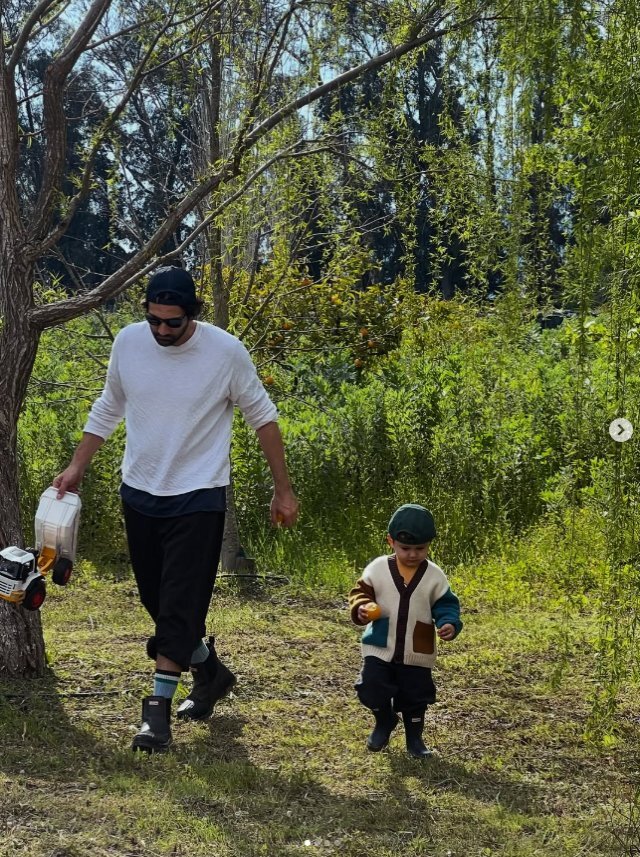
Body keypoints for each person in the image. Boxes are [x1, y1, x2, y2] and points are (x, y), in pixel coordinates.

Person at [53, 266, 298, 753]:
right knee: (160, 603)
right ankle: (210, 672)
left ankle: (156, 713)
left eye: (174, 323)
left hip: (199, 495)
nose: (163, 331)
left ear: (193, 315)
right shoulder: (128, 343)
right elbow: (108, 405)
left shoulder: (225, 352)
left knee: (181, 602)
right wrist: (78, 465)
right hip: (139, 491)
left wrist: (283, 489)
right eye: (155, 321)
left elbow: (263, 418)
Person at [348, 504, 462, 758]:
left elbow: (446, 605)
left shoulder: (434, 576)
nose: (412, 554)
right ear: (391, 541)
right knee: (370, 687)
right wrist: (363, 607)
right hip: (380, 644)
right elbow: (359, 593)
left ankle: (415, 740)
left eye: (420, 549)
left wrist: (449, 623)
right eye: (405, 548)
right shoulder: (377, 569)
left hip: (416, 648)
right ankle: (385, 720)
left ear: (429, 544)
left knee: (415, 697)